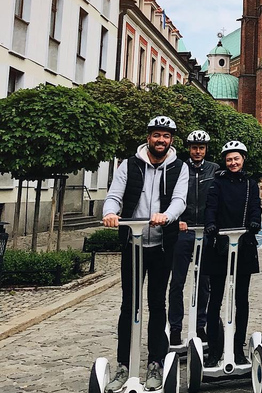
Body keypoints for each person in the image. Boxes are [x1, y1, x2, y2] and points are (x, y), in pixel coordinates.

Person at [102, 116, 189, 392]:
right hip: (133, 244)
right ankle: (123, 364)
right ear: (148, 137)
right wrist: (109, 213)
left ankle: (155, 362)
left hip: (162, 245)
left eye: (166, 136)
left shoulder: (179, 167)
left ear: (171, 140)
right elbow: (115, 194)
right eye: (156, 135)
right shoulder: (129, 164)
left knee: (157, 304)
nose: (161, 140)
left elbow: (180, 199)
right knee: (129, 305)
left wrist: (167, 215)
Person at [202, 140, 262, 367]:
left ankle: (238, 348)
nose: (233, 162)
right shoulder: (217, 183)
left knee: (241, 299)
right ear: (225, 162)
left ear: (243, 159)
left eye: (236, 158)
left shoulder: (250, 184)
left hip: (244, 243)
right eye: (229, 159)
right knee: (215, 298)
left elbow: (255, 205)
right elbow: (211, 207)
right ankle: (214, 350)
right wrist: (210, 225)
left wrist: (255, 221)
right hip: (220, 244)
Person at [168, 130, 219, 346]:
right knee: (177, 282)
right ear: (188, 148)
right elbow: (171, 196)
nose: (197, 151)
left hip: (205, 232)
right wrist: (176, 219)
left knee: (204, 283)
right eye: (194, 147)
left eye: (201, 147)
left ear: (206, 149)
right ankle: (176, 328)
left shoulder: (214, 169)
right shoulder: (179, 168)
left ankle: (200, 326)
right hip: (183, 230)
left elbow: (217, 198)